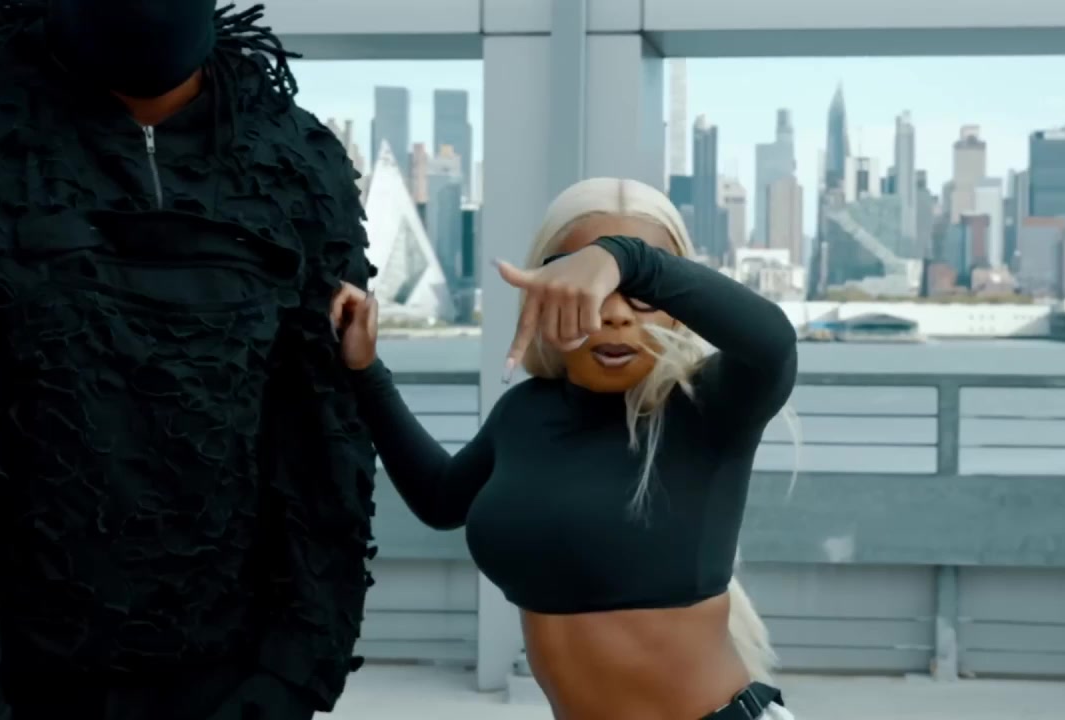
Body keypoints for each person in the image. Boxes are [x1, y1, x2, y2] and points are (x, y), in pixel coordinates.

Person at [0, 2, 376, 718]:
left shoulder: (296, 155)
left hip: (237, 673)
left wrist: (295, 671)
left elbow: (325, 430)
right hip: (10, 672)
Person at [333, 177, 800, 720]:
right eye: (589, 287)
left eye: (644, 291)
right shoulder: (525, 411)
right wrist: (366, 372)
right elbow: (440, 499)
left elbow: (773, 345)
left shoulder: (707, 407)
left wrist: (622, 258)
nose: (617, 313)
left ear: (679, 305)